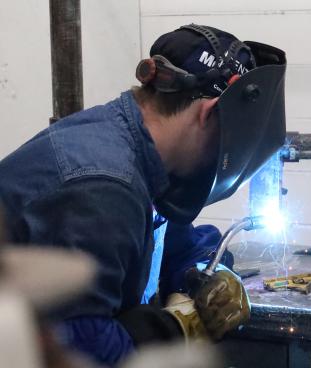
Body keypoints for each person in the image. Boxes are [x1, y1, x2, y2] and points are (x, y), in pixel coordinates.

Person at [0, 24, 286, 366]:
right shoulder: (105, 185)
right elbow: (82, 351)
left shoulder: (139, 152)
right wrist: (175, 329)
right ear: (209, 113)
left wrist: (200, 273)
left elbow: (170, 239)